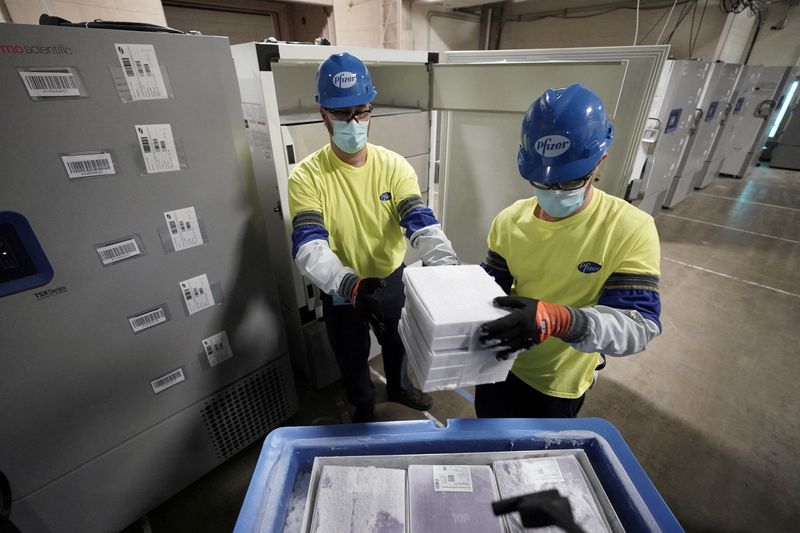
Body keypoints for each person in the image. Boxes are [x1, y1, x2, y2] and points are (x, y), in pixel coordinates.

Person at [288, 52, 460, 423]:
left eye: (361, 112)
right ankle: (363, 406)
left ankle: (400, 387)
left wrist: (448, 269)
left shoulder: (394, 166)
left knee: (398, 342)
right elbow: (309, 245)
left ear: (371, 110)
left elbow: (419, 221)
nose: (354, 122)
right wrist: (349, 286)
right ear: (323, 114)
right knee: (350, 354)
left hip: (390, 277)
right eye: (342, 114)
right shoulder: (306, 177)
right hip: (340, 286)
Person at [477, 84, 662, 418]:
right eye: (543, 182)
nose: (555, 191)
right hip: (498, 365)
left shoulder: (630, 229)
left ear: (599, 163)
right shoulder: (509, 221)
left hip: (558, 383)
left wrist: (562, 320)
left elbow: (638, 325)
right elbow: (489, 289)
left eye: (569, 181)